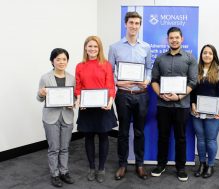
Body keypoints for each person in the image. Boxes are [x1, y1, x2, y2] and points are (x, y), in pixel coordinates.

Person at [108, 11, 152, 180]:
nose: (134, 26)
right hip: (123, 95)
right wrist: (118, 83)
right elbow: (110, 71)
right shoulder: (115, 47)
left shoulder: (146, 47)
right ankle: (122, 164)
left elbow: (148, 68)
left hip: (141, 94)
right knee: (123, 132)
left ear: (140, 26)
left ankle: (140, 165)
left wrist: (147, 81)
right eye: (131, 23)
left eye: (137, 23)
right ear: (125, 24)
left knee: (140, 131)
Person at [150, 27, 198, 182]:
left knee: (181, 137)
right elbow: (154, 81)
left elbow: (192, 82)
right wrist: (160, 94)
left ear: (182, 39)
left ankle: (181, 168)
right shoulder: (160, 59)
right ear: (167, 40)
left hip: (182, 106)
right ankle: (161, 164)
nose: (174, 40)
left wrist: (178, 96)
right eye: (171, 38)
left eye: (177, 37)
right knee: (163, 136)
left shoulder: (190, 58)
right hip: (162, 105)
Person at [75, 36, 117, 183]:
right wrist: (79, 101)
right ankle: (92, 167)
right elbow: (78, 87)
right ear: (85, 48)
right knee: (88, 137)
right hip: (87, 107)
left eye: (95, 47)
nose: (92, 49)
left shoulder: (106, 64)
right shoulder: (80, 66)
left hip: (104, 106)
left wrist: (110, 101)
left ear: (99, 49)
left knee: (104, 137)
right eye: (90, 46)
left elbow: (110, 85)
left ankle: (101, 168)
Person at [37, 48, 75, 187]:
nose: (61, 62)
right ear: (52, 61)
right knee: (54, 148)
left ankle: (64, 172)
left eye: (64, 59)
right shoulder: (45, 77)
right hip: (50, 118)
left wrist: (74, 103)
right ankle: (55, 174)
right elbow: (39, 98)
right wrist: (41, 93)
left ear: (67, 61)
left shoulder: (72, 78)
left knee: (65, 147)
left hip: (67, 116)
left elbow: (74, 97)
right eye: (58, 59)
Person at [190, 44, 219, 178]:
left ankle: (210, 166)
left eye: (210, 53)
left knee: (210, 140)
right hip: (197, 112)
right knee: (200, 139)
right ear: (201, 55)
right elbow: (192, 91)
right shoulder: (196, 70)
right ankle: (202, 164)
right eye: (204, 53)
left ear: (214, 55)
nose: (207, 55)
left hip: (214, 113)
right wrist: (192, 104)